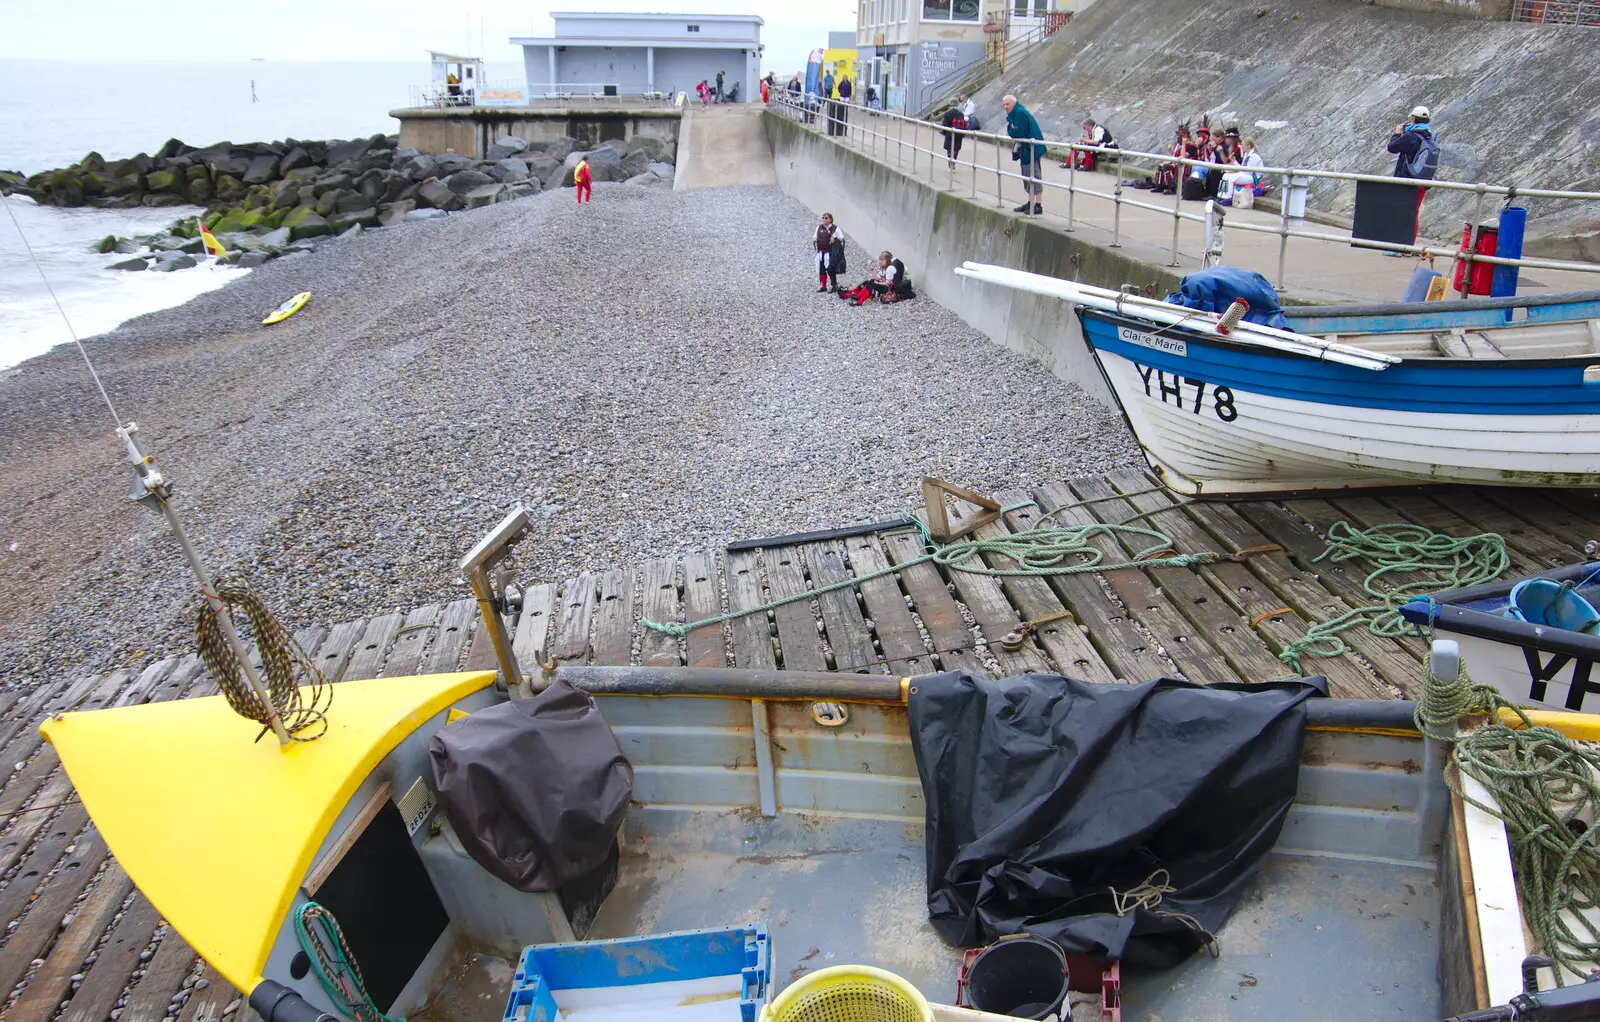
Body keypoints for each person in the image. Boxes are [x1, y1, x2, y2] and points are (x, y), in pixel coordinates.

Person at [1387, 104, 1439, 245]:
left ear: (1414, 119)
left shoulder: (1411, 136)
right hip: (1423, 180)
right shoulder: (1432, 136)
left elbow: (1392, 147)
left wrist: (1397, 133)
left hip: (1407, 180)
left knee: (1400, 212)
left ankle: (1397, 246)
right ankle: (1409, 245)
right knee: (1413, 213)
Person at [1003, 94, 1046, 215]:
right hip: (1028, 148)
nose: (1005, 107)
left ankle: (1037, 205)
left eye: (1008, 104)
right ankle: (1031, 202)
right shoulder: (1018, 112)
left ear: (1013, 103)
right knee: (1028, 175)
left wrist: (1010, 129)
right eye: (1004, 105)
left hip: (1030, 149)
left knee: (1033, 175)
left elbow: (1018, 132)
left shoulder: (1019, 113)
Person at [841, 251, 915, 305]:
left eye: (883, 260)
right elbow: (877, 277)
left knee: (872, 284)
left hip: (892, 289)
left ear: (888, 260)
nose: (880, 262)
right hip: (889, 286)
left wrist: (878, 283)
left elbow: (888, 283)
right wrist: (871, 267)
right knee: (868, 282)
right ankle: (851, 293)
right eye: (880, 260)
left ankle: (859, 301)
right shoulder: (885, 268)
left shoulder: (890, 268)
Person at [1218, 137, 1265, 204]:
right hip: (1246, 174)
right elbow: (1243, 168)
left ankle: (1228, 198)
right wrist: (1234, 161)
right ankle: (1222, 196)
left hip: (1253, 177)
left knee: (1230, 178)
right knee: (1225, 175)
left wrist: (1233, 171)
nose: (1242, 146)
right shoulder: (1246, 154)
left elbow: (1248, 171)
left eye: (1243, 144)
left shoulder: (1254, 156)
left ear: (1248, 145)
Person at [812, 212, 844, 292]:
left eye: (826, 218)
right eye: (823, 218)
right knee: (821, 268)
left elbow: (842, 238)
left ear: (830, 219)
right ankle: (823, 285)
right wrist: (815, 238)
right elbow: (815, 236)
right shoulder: (819, 227)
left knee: (830, 269)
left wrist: (835, 237)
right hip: (820, 251)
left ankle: (834, 285)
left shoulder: (835, 228)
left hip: (830, 252)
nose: (824, 219)